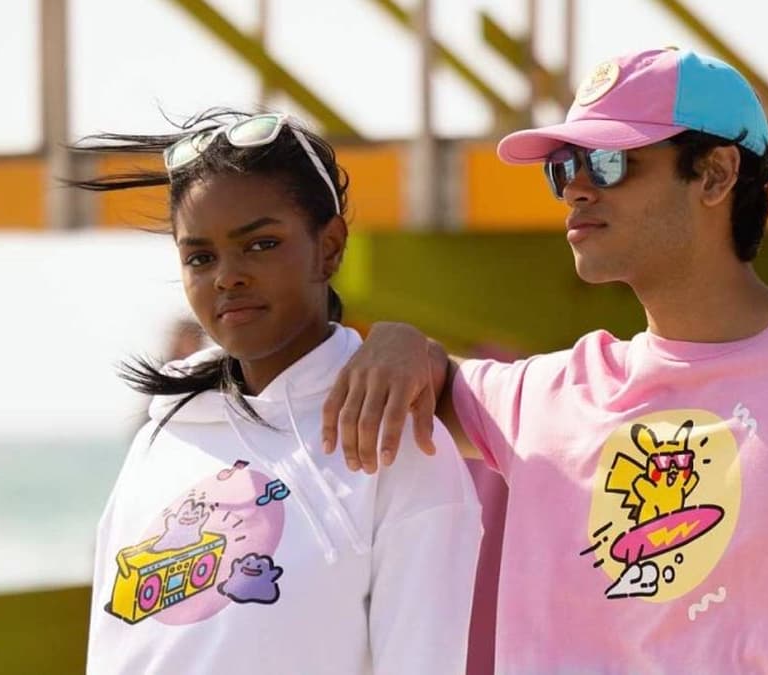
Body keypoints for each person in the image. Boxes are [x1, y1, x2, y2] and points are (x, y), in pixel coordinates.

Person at [320, 48, 768, 674]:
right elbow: (428, 382)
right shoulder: (547, 396)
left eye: (612, 162)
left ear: (715, 173)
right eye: (564, 168)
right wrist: (398, 338)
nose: (577, 189)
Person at [73, 110, 482, 674]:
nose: (227, 276)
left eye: (261, 244)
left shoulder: (397, 439)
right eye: (200, 257)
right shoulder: (162, 439)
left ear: (330, 247)